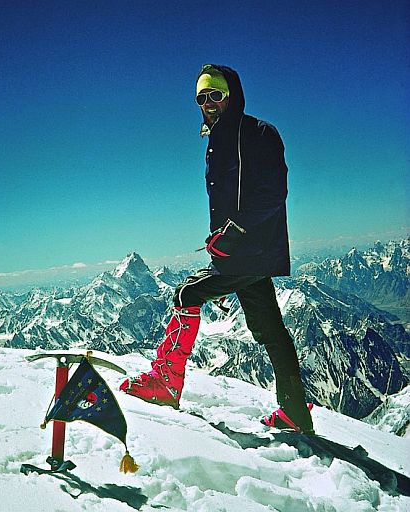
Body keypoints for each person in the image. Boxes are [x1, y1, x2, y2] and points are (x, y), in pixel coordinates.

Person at [119, 64, 314, 434]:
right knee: (270, 329)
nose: (209, 103)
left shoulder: (257, 133)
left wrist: (234, 231)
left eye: (216, 95)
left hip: (249, 251)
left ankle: (167, 381)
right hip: (242, 252)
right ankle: (294, 413)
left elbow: (274, 192)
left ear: (232, 96)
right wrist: (224, 242)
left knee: (187, 293)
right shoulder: (219, 140)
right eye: (202, 98)